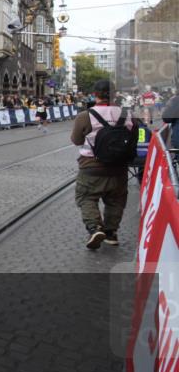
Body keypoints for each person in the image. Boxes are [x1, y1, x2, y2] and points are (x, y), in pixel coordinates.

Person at [70, 79, 135, 249]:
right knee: (116, 200)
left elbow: (76, 140)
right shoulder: (127, 115)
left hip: (91, 166)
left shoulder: (85, 116)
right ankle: (111, 233)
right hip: (119, 167)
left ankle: (95, 228)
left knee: (86, 197)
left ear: (95, 94)